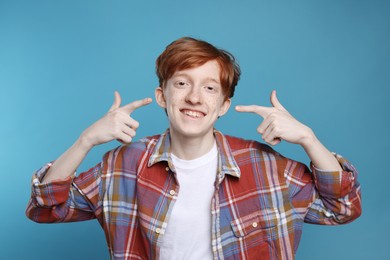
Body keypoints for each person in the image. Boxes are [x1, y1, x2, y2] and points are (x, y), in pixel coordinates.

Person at [26, 37, 361, 260]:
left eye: (210, 87)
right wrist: (85, 140)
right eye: (182, 83)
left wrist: (309, 139)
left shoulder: (265, 166)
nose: (195, 97)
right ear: (162, 96)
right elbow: (46, 208)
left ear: (224, 105)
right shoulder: (122, 165)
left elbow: (342, 208)